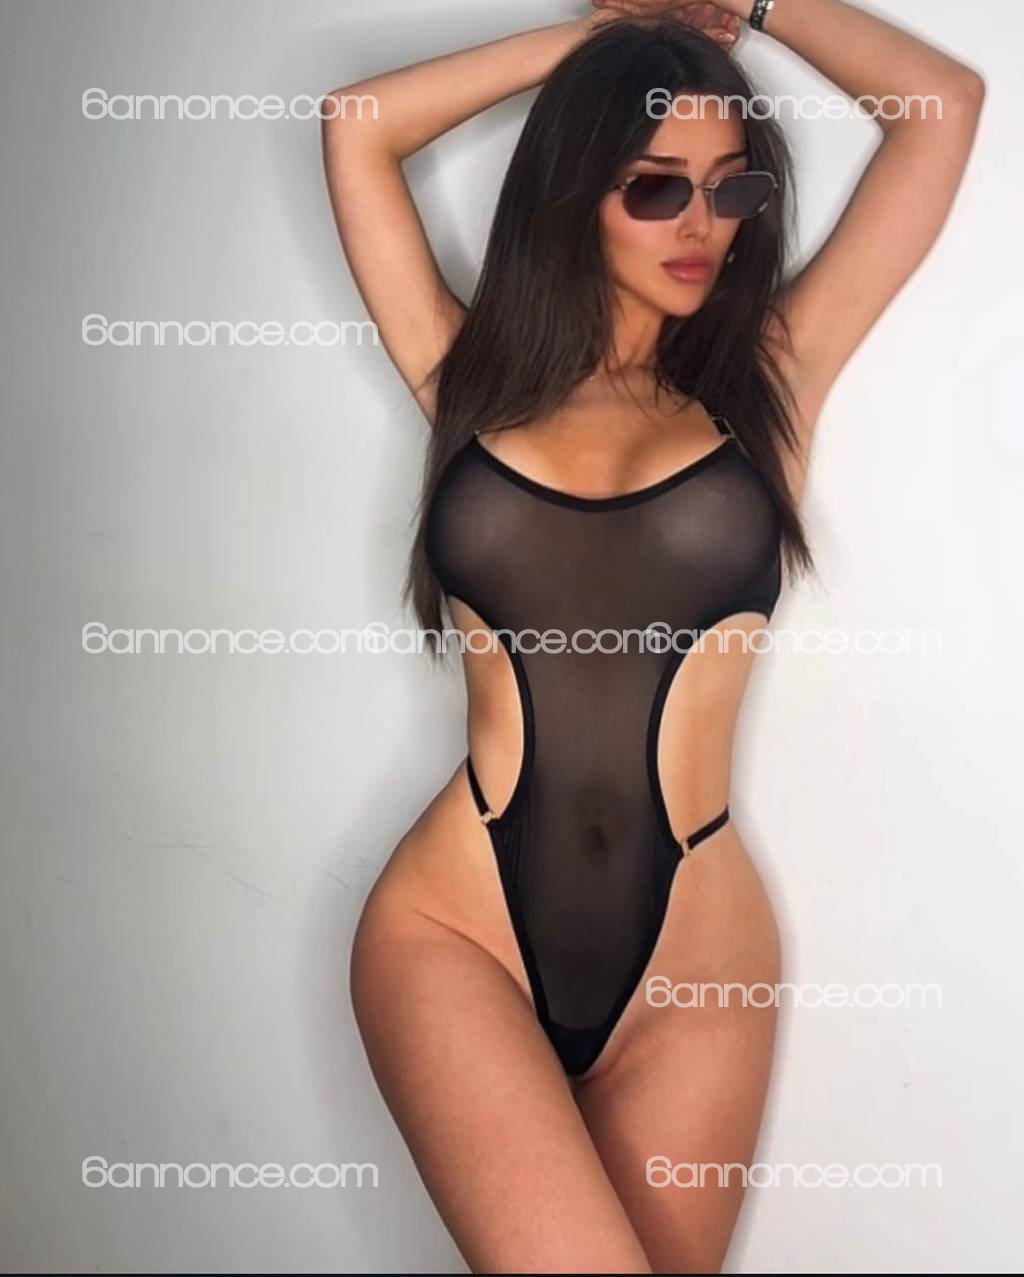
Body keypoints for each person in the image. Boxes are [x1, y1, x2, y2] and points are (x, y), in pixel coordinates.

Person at [322, 2, 984, 1271]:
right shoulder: (468, 380)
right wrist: (608, 39)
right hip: (458, 929)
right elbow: (358, 125)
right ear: (577, 187)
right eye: (654, 186)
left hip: (697, 966)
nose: (700, 227)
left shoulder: (767, 384)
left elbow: (940, 107)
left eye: (730, 190)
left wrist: (752, 3)